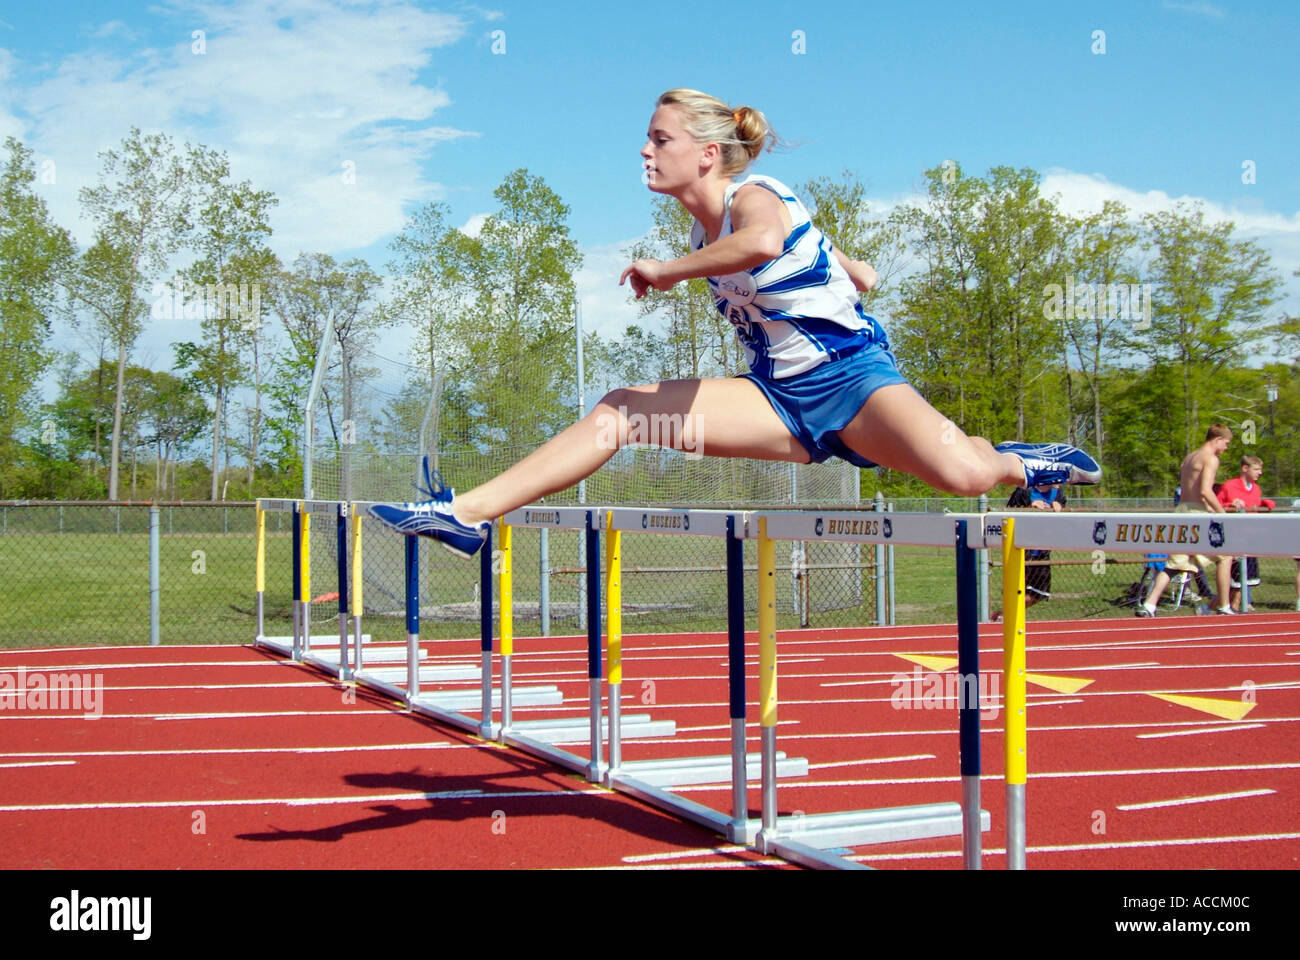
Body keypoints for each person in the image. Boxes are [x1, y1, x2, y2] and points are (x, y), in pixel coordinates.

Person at [369, 89, 1100, 557]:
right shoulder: (710, 230)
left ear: (707, 153)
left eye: (661, 139)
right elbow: (850, 270)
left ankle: (1022, 460)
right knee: (622, 412)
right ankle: (464, 513)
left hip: (852, 379)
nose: (645, 151)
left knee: (964, 475)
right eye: (648, 139)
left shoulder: (759, 194)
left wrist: (665, 271)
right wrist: (848, 268)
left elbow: (762, 242)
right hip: (777, 396)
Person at [1135, 424, 1234, 617]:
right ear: (1217, 440)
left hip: (1181, 511)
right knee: (1226, 556)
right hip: (1197, 513)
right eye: (1226, 443)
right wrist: (1222, 514)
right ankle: (1223, 605)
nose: (1226, 448)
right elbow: (1206, 491)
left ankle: (1149, 605)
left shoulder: (1189, 458)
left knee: (1174, 564)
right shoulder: (1211, 459)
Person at [1216, 455, 1274, 612]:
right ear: (1245, 468)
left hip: (1251, 537)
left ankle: (1230, 608)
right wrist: (1230, 505)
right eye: (1256, 469)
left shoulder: (1256, 488)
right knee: (1235, 580)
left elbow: (1253, 504)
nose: (1260, 473)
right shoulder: (1229, 486)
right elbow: (1216, 505)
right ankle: (1223, 608)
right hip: (1234, 537)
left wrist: (1264, 503)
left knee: (1246, 579)